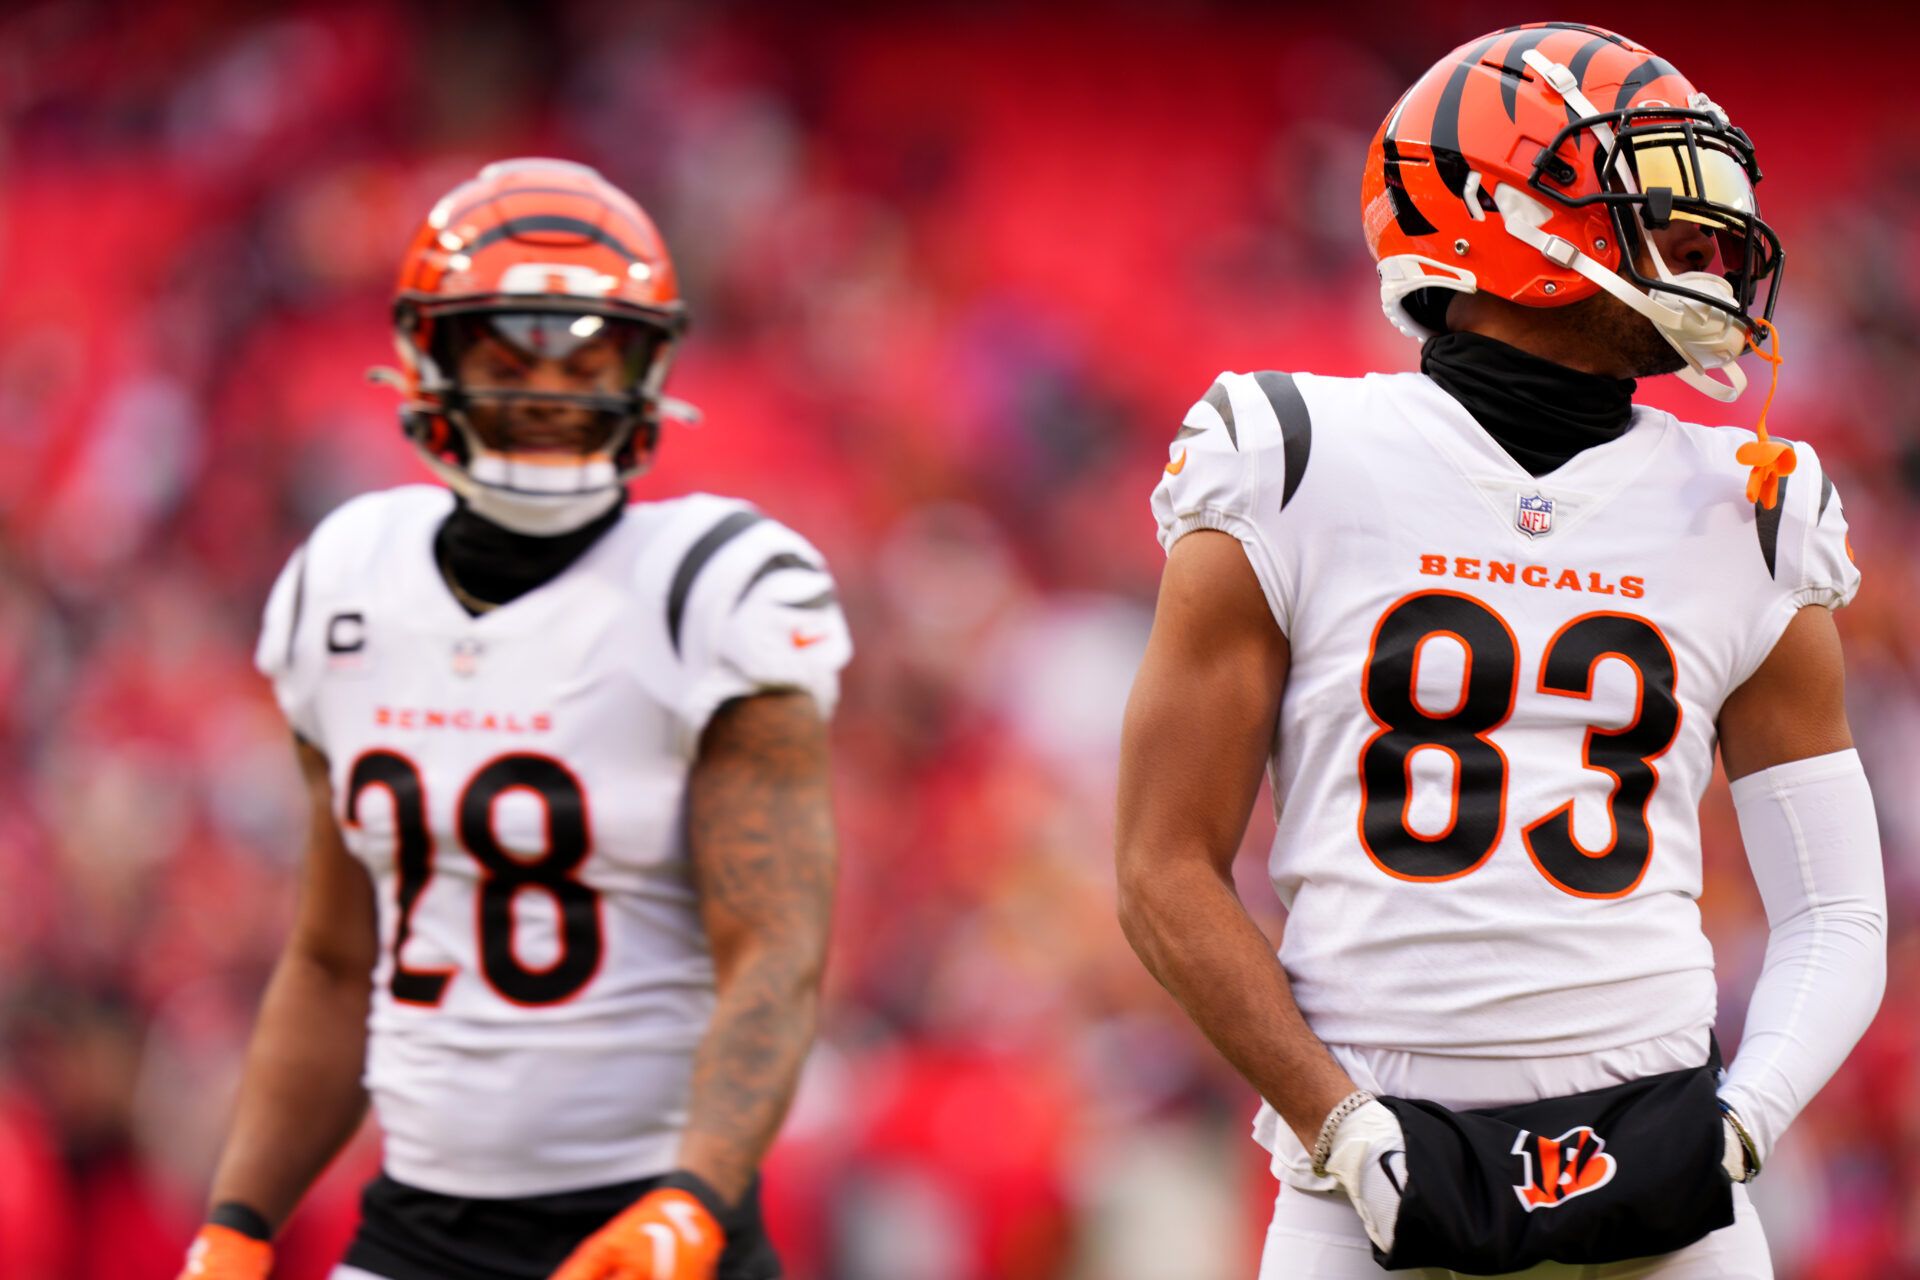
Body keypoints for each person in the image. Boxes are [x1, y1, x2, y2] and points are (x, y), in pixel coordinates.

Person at [1116, 23, 1885, 1279]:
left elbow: (1839, 905)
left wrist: (1745, 1121)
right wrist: (1339, 1121)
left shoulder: (1752, 501)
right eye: (1642, 190)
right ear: (1493, 213)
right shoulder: (1294, 451)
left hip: (1667, 1170)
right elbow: (1162, 867)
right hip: (1370, 1171)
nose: (1705, 240)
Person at [178, 158, 850, 1280]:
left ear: (651, 361)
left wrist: (691, 1199)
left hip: (656, 1216)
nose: (552, 384)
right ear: (426, 355)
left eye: (594, 347)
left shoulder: (713, 586)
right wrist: (238, 1220)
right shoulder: (344, 580)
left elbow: (775, 951)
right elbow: (336, 958)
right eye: (509, 343)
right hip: (415, 1234)